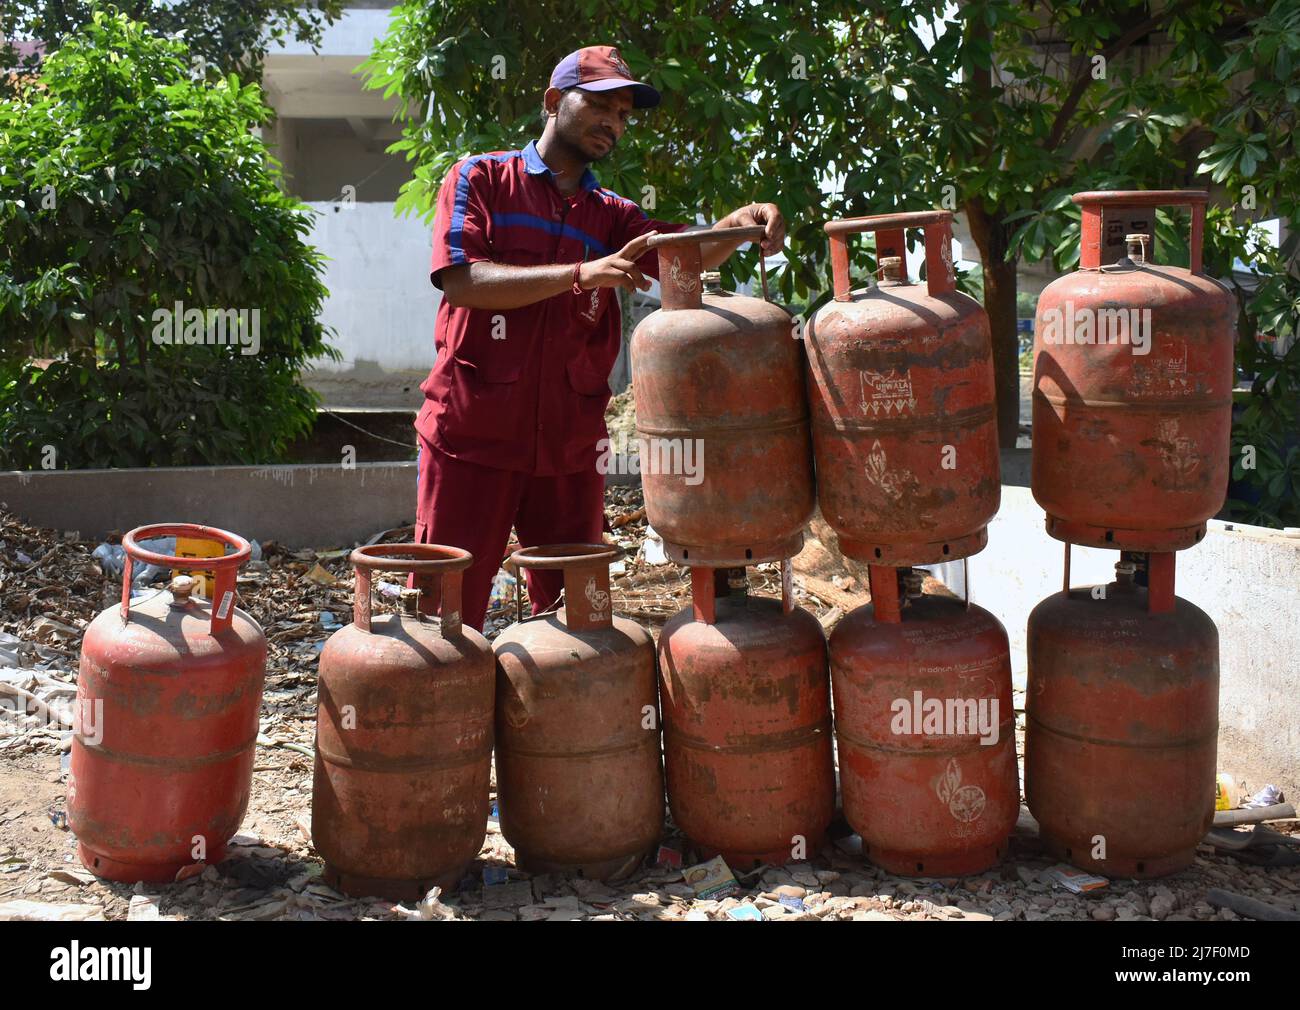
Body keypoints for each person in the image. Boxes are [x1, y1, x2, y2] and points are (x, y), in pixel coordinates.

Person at [414, 44, 785, 631]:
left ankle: (553, 721)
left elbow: (676, 256)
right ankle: (447, 722)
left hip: (567, 443)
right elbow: (462, 280)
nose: (614, 124)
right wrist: (581, 273)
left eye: (624, 115)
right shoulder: (480, 178)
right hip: (472, 434)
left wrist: (733, 230)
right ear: (554, 101)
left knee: (575, 618)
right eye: (602, 106)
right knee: (445, 613)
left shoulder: (611, 215)